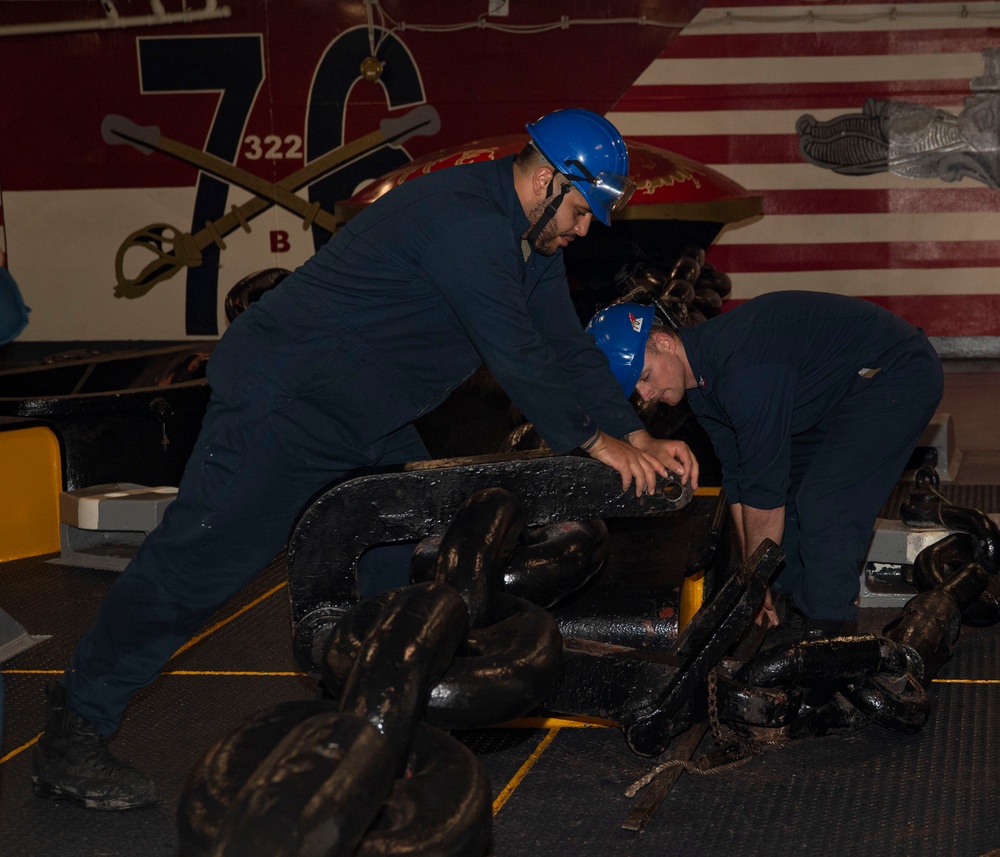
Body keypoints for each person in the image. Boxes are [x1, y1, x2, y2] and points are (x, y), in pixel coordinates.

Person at [32, 108, 698, 810]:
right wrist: (597, 443)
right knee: (196, 566)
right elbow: (521, 359)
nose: (583, 229)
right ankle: (75, 722)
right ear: (548, 180)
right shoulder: (467, 225)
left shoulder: (529, 243)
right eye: (582, 211)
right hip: (286, 403)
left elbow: (565, 347)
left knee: (400, 567)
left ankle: (374, 733)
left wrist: (638, 433)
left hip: (366, 416)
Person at [587, 291, 943, 640]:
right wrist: (754, 578)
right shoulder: (702, 387)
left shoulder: (742, 373)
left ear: (664, 342)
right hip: (839, 394)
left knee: (825, 504)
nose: (646, 395)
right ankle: (788, 607)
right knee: (783, 506)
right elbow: (740, 480)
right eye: (637, 389)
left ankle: (827, 631)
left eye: (645, 376)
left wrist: (753, 583)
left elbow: (764, 494)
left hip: (896, 371)